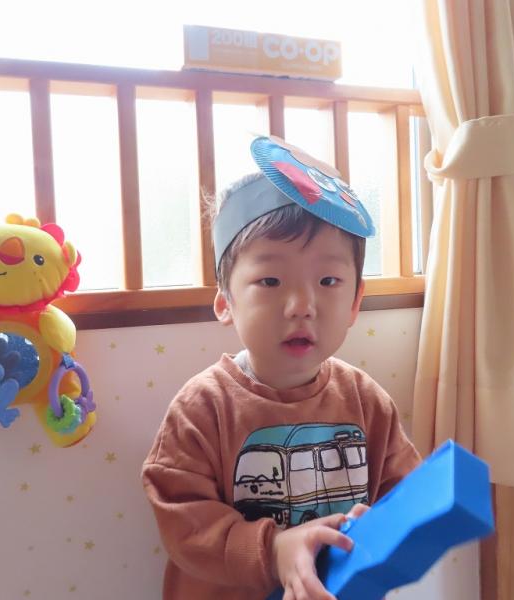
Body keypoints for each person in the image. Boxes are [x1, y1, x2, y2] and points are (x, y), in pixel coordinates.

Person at [142, 135, 420, 600]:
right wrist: (272, 549)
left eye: (328, 280)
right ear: (225, 302)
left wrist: (382, 527)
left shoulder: (367, 401)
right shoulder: (202, 408)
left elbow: (405, 496)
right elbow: (182, 520)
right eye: (270, 281)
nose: (301, 305)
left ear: (356, 303)